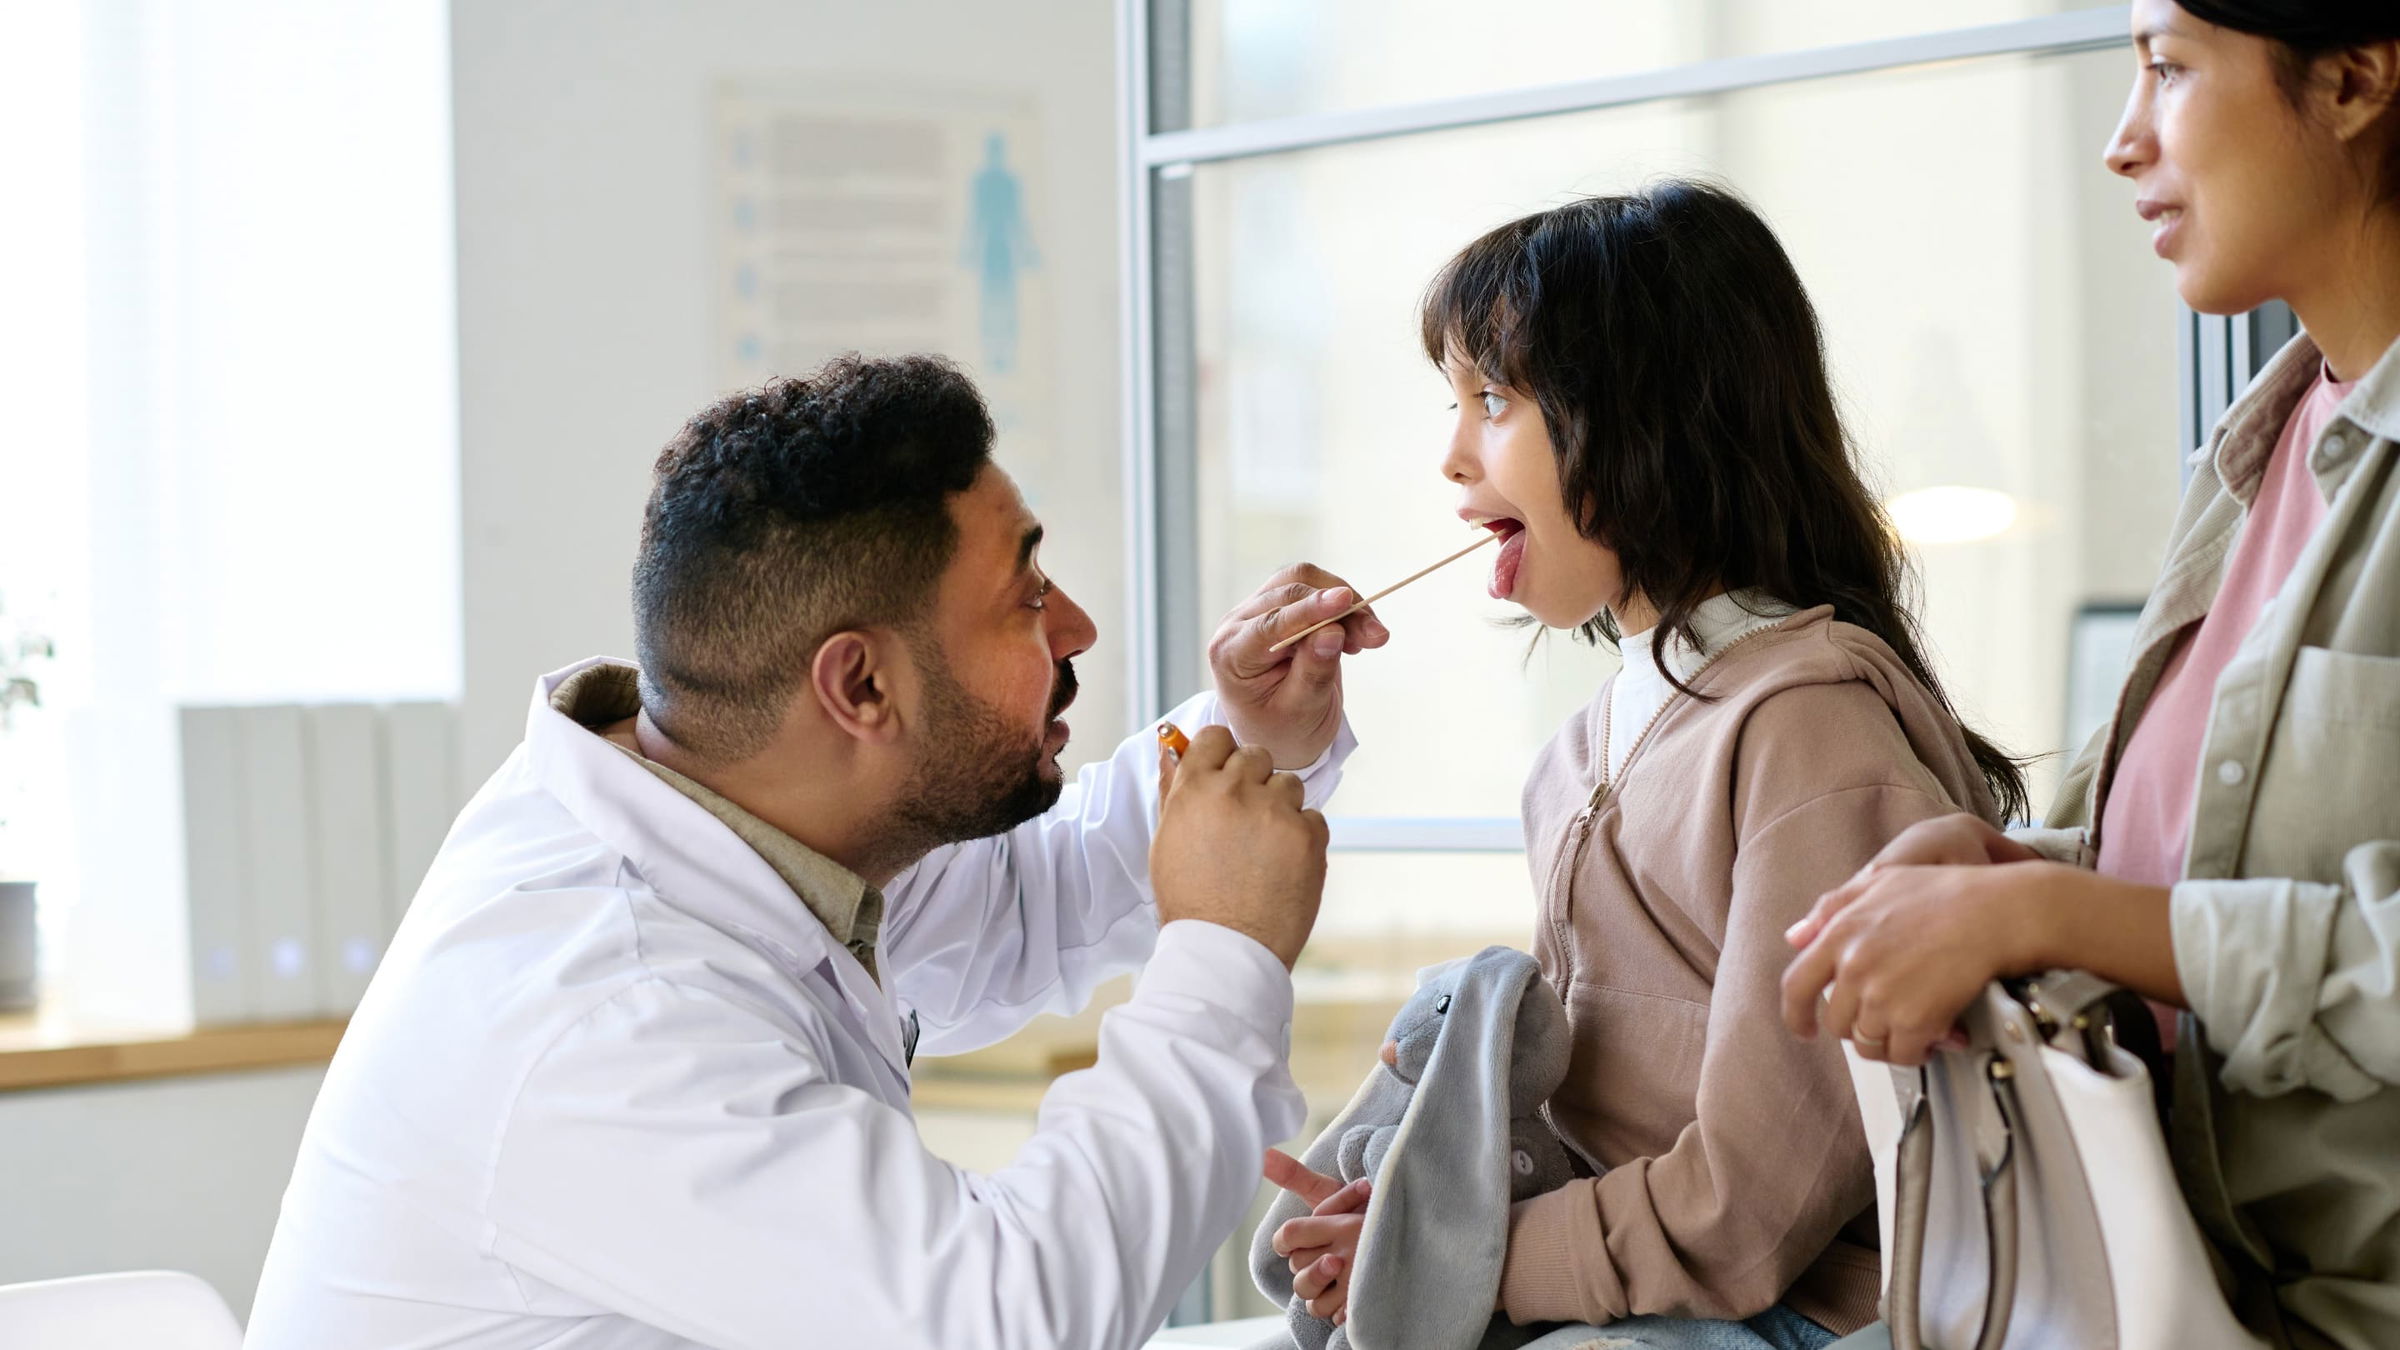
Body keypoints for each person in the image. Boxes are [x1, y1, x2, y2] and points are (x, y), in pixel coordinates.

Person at [243, 353, 1392, 1349]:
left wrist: (1247, 734)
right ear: (859, 685)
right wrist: (1225, 956)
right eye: (1025, 596)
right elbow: (1012, 1320)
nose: (1078, 630)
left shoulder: (728, 818)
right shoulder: (604, 1016)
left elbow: (1022, 906)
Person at [1261, 183, 2028, 1350]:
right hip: (1642, 1299)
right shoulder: (1577, 754)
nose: (1452, 455)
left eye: (1495, 399)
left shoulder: (1808, 733)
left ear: (1645, 420)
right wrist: (1417, 1217)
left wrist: (1472, 1258)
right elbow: (1615, 1136)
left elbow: (1752, 1205)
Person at [1780, 3, 2400, 1346]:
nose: (2123, 142)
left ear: (2353, 77)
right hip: (2160, 1288)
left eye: (2170, 69)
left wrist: (2053, 915)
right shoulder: (2263, 446)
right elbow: (2207, 860)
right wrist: (2018, 868)